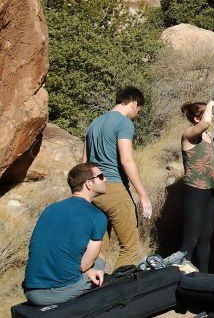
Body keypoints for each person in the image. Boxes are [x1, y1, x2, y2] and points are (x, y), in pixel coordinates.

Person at [83, 86, 151, 270]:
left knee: (98, 247)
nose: (136, 114)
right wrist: (143, 195)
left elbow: (84, 163)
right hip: (114, 187)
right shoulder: (124, 123)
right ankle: (120, 291)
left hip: (92, 190)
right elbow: (127, 160)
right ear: (133, 103)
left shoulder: (94, 124)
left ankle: (92, 290)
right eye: (138, 110)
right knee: (130, 248)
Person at [24, 163, 108, 306]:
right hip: (59, 292)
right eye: (100, 177)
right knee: (100, 259)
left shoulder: (50, 209)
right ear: (88, 184)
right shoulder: (97, 216)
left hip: (31, 290)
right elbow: (84, 266)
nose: (105, 179)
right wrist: (90, 270)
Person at [178, 100, 214, 273]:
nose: (210, 117)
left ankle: (204, 278)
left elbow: (212, 164)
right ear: (197, 119)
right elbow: (206, 122)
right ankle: (175, 279)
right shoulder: (188, 135)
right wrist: (212, 104)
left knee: (206, 240)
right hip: (195, 192)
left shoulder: (208, 136)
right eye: (206, 113)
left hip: (211, 191)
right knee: (190, 240)